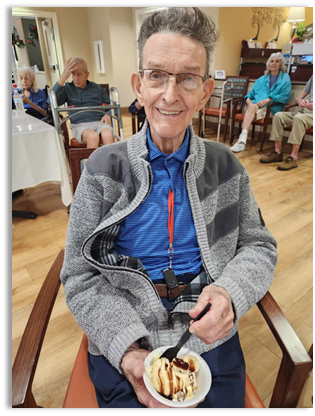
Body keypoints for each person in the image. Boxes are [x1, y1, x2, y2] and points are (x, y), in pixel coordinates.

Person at [60, 7, 277, 409]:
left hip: (207, 337)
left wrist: (230, 294)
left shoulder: (226, 166)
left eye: (188, 78)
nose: (171, 94)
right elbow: (78, 274)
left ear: (206, 90)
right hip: (125, 330)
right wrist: (126, 352)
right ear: (138, 86)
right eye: (157, 75)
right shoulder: (102, 170)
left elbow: (259, 246)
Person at [230, 52, 291, 153]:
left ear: (281, 64)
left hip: (272, 109)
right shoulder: (262, 79)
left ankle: (241, 141)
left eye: (277, 61)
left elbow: (285, 97)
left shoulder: (285, 78)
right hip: (256, 108)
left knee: (252, 109)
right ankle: (242, 140)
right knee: (252, 107)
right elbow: (251, 94)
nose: (274, 63)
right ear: (268, 64)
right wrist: (248, 100)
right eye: (272, 61)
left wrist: (269, 99)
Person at [51, 57, 114, 148]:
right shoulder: (68, 88)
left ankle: (108, 162)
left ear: (87, 74)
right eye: (73, 74)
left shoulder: (96, 88)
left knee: (107, 134)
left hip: (99, 122)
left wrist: (108, 114)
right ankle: (89, 162)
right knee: (93, 137)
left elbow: (110, 105)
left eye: (79, 74)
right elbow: (51, 102)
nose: (76, 78)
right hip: (79, 125)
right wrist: (64, 76)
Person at [260, 75, 313, 170]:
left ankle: (293, 157)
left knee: (298, 118)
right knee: (278, 116)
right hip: (304, 112)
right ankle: (278, 152)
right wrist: (300, 101)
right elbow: (298, 98)